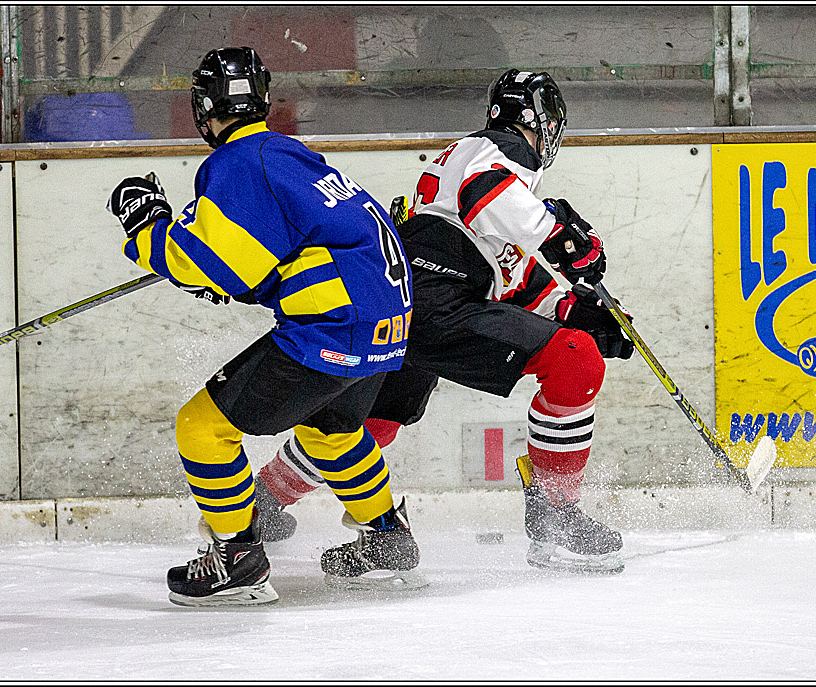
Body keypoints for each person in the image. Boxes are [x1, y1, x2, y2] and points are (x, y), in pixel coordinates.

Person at [255, 69, 635, 574]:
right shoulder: (501, 150)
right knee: (575, 362)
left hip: (397, 299)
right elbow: (488, 191)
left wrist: (577, 311)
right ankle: (555, 516)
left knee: (370, 425)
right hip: (438, 296)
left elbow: (514, 281)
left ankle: (263, 502)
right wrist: (562, 239)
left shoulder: (473, 179)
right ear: (542, 124)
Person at [106, 46, 423, 606]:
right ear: (264, 101)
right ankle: (388, 538)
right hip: (388, 326)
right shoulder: (289, 155)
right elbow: (278, 257)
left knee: (201, 428)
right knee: (332, 432)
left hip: (333, 328)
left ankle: (237, 560)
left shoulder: (238, 162)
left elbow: (205, 263)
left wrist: (144, 224)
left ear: (203, 107)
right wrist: (238, 281)